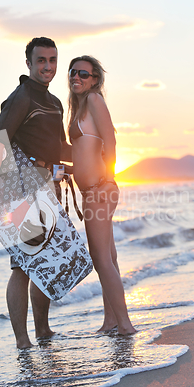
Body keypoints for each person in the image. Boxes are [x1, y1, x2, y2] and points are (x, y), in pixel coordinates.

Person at [0, 37, 71, 349]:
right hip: (20, 190)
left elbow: (60, 150)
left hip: (48, 187)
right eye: (41, 60)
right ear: (28, 63)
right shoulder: (20, 99)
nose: (47, 66)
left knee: (43, 260)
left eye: (52, 60)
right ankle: (22, 340)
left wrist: (95, 154)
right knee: (21, 264)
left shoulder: (54, 102)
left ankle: (43, 330)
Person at [68, 55, 136, 335]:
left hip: (99, 190)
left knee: (100, 258)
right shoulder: (78, 109)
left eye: (83, 74)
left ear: (95, 79)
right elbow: (83, 154)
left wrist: (109, 178)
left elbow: (111, 139)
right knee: (109, 256)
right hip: (91, 191)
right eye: (73, 72)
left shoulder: (94, 100)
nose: (77, 77)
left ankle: (125, 325)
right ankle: (111, 321)